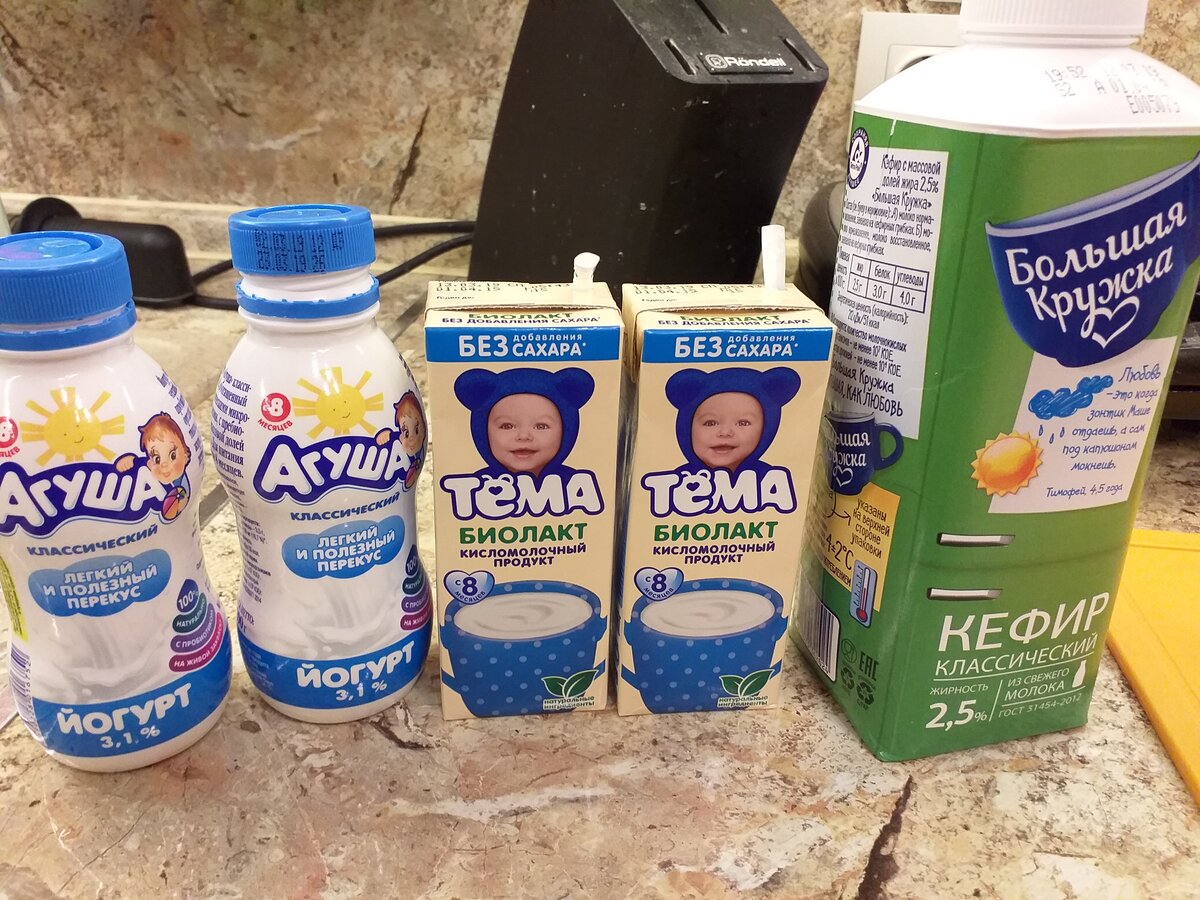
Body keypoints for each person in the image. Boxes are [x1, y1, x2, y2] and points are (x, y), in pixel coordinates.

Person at [454, 367, 594, 480]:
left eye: (541, 426)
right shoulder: (476, 486)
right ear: (483, 432)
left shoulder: (576, 483)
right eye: (507, 426)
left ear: (566, 432)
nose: (523, 436)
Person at [665, 367, 800, 475]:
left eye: (743, 423)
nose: (725, 432)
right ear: (688, 429)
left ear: (765, 430)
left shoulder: (770, 478)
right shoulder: (678, 480)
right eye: (710, 423)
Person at [115, 412, 191, 520]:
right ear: (150, 463)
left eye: (172, 455)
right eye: (157, 459)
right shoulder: (148, 468)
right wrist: (131, 461)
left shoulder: (181, 484)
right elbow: (139, 463)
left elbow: (183, 502)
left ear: (185, 456)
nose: (164, 465)